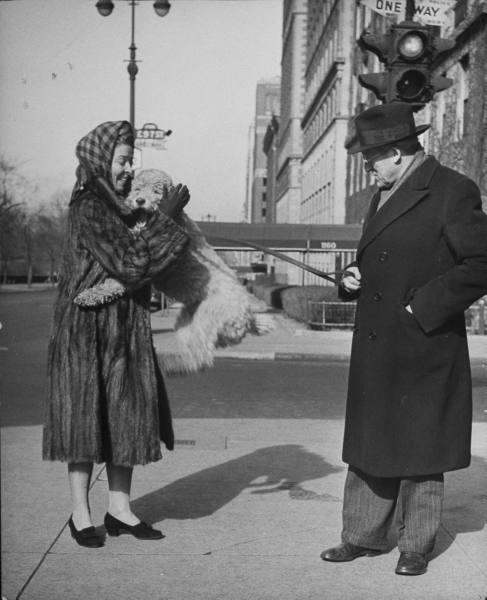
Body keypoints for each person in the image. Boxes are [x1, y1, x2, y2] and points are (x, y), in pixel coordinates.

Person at [320, 103, 487, 575]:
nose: (367, 168)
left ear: (394, 152)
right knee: (372, 438)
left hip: (423, 342)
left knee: (419, 446)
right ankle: (362, 536)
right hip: (380, 343)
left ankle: (416, 545)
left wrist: (423, 307)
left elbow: (481, 263)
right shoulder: (386, 191)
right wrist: (351, 277)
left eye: (371, 159)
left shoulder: (453, 190)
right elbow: (383, 259)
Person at [43, 120, 190, 548]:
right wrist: (167, 221)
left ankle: (120, 509)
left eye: (131, 161)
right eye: (122, 161)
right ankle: (80, 513)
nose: (128, 169)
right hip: (86, 331)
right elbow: (131, 264)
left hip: (123, 326)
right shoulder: (90, 206)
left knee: (126, 417)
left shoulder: (122, 206)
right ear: (99, 160)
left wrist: (160, 221)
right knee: (84, 421)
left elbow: (144, 262)